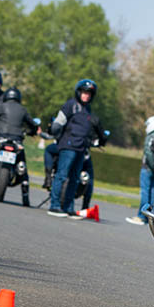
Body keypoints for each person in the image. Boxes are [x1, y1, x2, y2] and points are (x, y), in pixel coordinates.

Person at [47, 79, 106, 218]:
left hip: (81, 148)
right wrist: (55, 129)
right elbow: (59, 121)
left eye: (89, 94)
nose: (86, 96)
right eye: (84, 92)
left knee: (75, 179)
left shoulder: (87, 109)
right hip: (68, 146)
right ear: (79, 92)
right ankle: (54, 206)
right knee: (61, 176)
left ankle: (69, 207)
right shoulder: (70, 105)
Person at [0, 86, 41, 205]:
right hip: (17, 140)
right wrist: (32, 131)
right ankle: (25, 194)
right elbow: (33, 124)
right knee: (22, 164)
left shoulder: (1, 106)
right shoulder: (22, 109)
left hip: (0, 137)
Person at [126, 116, 154, 225]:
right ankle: (149, 217)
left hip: (147, 169)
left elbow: (148, 153)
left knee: (145, 192)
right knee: (152, 192)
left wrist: (153, 166)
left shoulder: (151, 137)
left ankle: (141, 217)